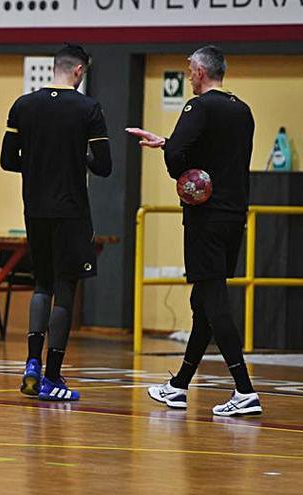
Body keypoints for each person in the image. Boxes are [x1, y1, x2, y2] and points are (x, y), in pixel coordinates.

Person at [127, 45, 262, 417]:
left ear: (201, 72)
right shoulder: (242, 109)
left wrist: (171, 152)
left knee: (213, 299)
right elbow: (219, 155)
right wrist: (169, 142)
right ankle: (179, 386)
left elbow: (176, 163)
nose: (188, 76)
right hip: (235, 216)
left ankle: (245, 390)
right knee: (203, 301)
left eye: (190, 70)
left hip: (206, 218)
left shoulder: (198, 107)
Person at [0, 44, 112, 402]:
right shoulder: (88, 109)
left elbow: (7, 160)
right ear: (79, 71)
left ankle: (31, 364)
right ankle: (51, 377)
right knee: (65, 288)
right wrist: (79, 157)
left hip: (34, 209)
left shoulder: (23, 105)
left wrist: (37, 165)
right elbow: (104, 165)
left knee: (41, 284)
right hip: (71, 211)